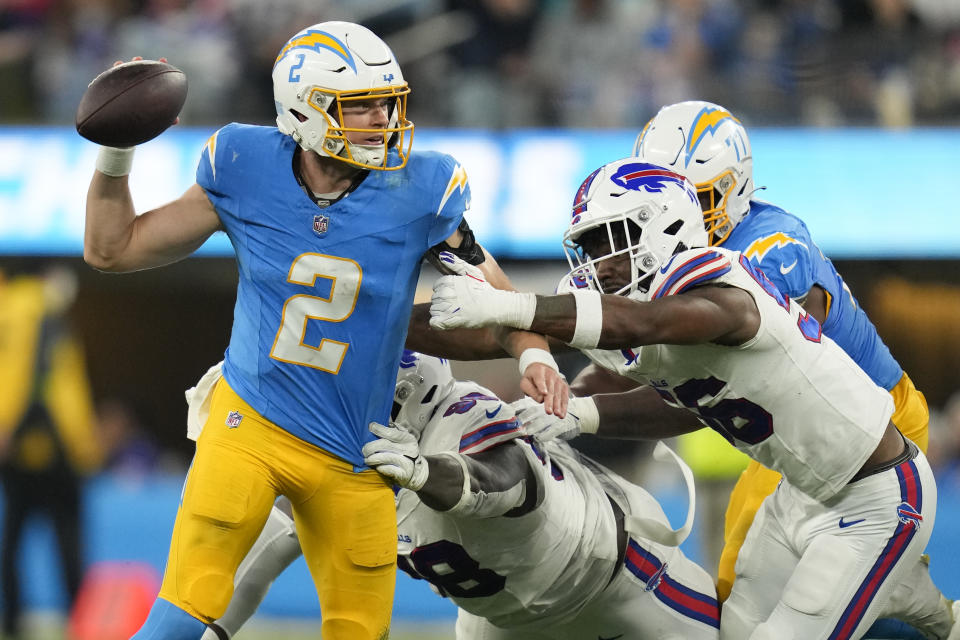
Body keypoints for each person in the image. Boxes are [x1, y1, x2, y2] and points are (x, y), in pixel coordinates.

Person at [82, 21, 566, 640]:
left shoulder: (421, 190)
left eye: (386, 104)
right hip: (250, 426)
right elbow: (111, 249)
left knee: (359, 631)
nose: (382, 121)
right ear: (304, 111)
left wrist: (536, 355)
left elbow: (498, 295)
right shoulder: (242, 163)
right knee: (186, 606)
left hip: (357, 452)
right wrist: (116, 154)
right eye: (361, 106)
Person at [428, 157, 950, 639]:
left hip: (876, 496)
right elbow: (676, 396)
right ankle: (897, 591)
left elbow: (636, 322)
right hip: (799, 493)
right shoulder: (648, 309)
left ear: (666, 225)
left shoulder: (724, 287)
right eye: (590, 247)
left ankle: (896, 589)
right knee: (733, 632)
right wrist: (376, 326)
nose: (601, 263)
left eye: (613, 237)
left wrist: (514, 305)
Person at [631, 100, 952, 638]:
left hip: (876, 429)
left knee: (820, 609)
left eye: (698, 199)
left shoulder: (772, 244)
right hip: (791, 436)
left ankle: (909, 606)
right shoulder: (680, 261)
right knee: (735, 586)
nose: (680, 218)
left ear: (734, 189)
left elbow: (748, 357)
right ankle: (912, 604)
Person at [191, 350, 719, 639]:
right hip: (501, 621)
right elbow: (262, 558)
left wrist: (427, 473)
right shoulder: (331, 460)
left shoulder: (459, 413)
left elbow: (508, 481)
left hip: (615, 575)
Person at [0, 263, 102, 639]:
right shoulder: (36, 309)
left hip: (25, 447)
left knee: (13, 539)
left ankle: (13, 621)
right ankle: (78, 620)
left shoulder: (13, 309)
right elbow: (39, 376)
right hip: (55, 448)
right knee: (67, 540)